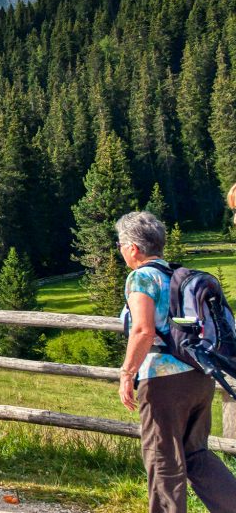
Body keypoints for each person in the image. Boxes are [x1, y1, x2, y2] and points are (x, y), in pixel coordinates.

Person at [116, 210, 236, 511]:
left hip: (163, 380)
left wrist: (127, 373)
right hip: (199, 376)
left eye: (120, 244)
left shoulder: (141, 277)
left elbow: (143, 329)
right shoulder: (176, 274)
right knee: (196, 455)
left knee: (163, 458)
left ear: (133, 247)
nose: (120, 251)